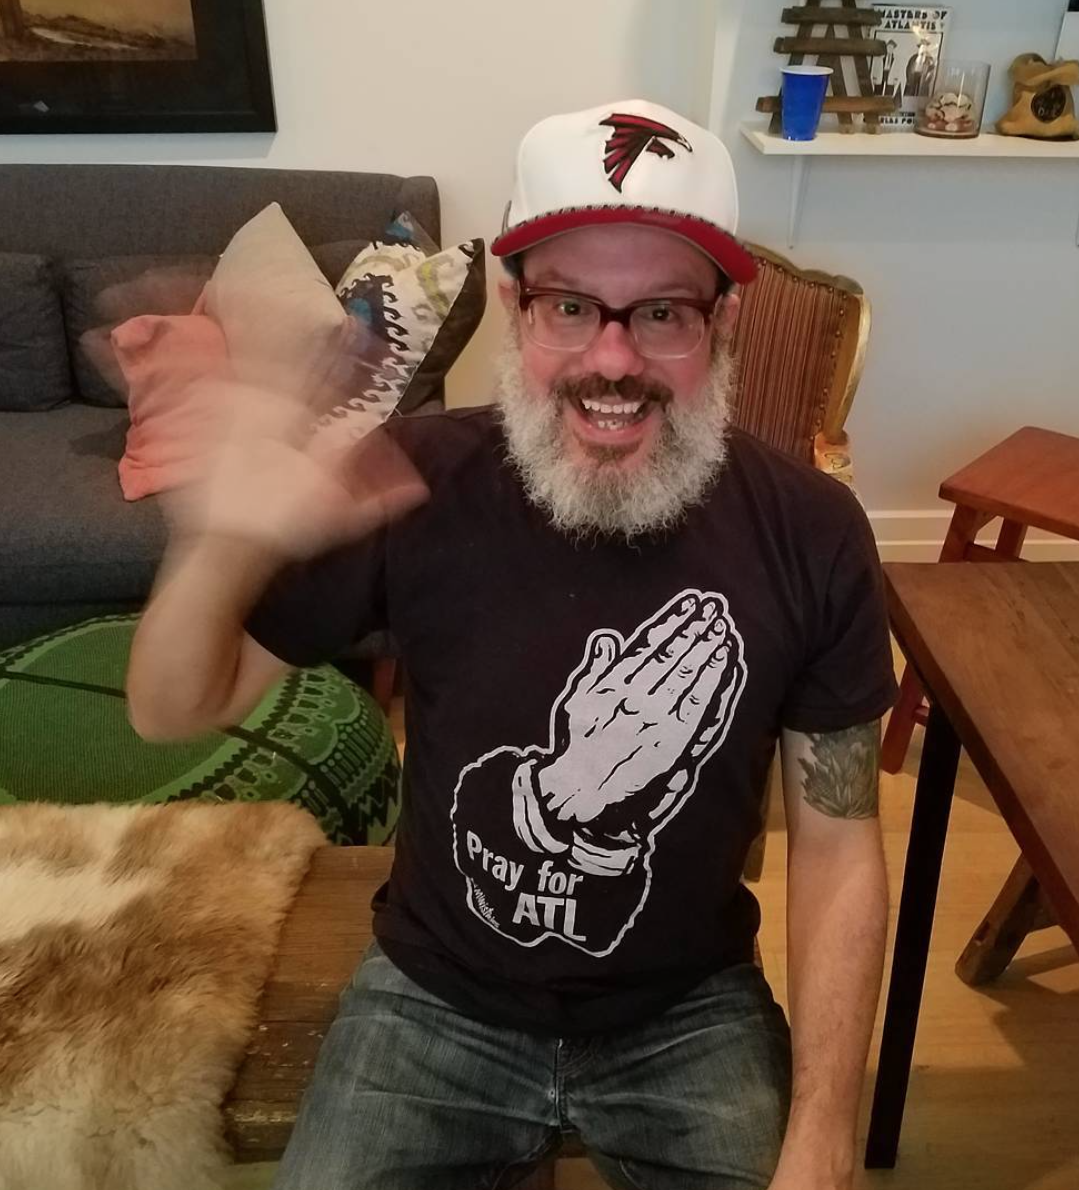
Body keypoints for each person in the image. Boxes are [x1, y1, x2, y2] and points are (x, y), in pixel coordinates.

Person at [127, 99, 897, 1190]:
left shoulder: (811, 532)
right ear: (512, 306)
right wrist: (223, 542)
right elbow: (170, 708)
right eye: (570, 306)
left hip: (688, 1007)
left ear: (725, 322)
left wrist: (825, 1132)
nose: (612, 361)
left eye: (662, 313)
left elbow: (837, 846)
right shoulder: (411, 479)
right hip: (433, 997)